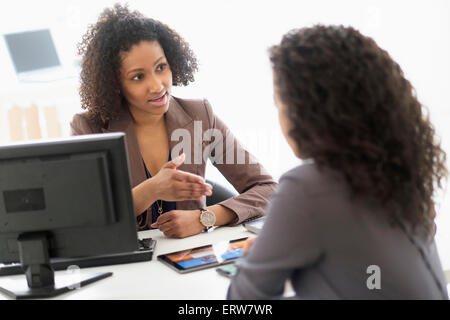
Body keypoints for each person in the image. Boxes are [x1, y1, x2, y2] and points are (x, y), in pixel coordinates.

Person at [227, 25, 449, 299]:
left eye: (279, 104)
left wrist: (256, 261)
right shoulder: (399, 170)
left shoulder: (308, 186)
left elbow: (243, 299)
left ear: (306, 109)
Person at [70, 4, 276, 238]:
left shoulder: (199, 116)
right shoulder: (89, 128)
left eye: (161, 67)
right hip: (127, 266)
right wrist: (151, 190)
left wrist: (205, 217)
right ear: (114, 84)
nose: (157, 86)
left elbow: (268, 189)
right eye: (138, 77)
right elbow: (87, 219)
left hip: (190, 258)